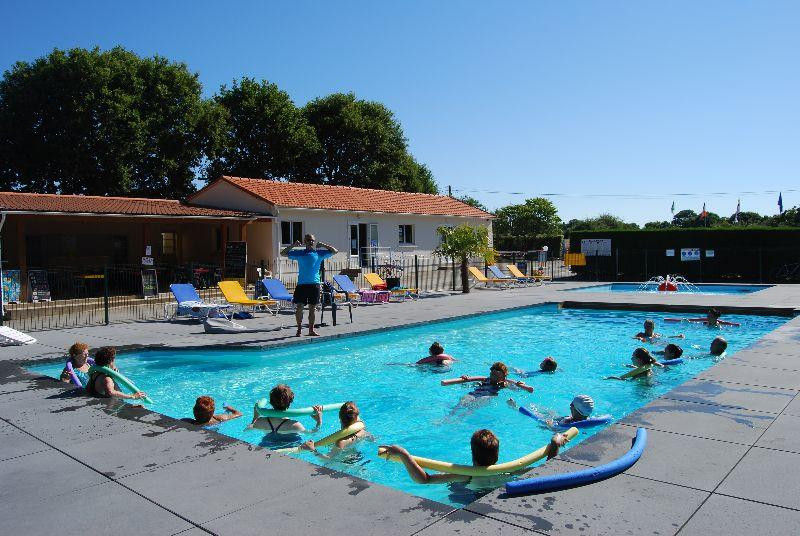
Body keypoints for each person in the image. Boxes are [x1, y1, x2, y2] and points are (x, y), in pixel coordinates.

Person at [379, 429, 568, 484]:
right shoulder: (509, 472)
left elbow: (425, 480)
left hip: (465, 499)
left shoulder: (465, 475)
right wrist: (555, 443)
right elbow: (547, 466)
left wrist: (404, 454)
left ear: (472, 454)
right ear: (497, 455)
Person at [281, 233, 338, 337]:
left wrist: (323, 244)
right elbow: (283, 253)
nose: (310, 242)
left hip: (314, 285)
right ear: (305, 241)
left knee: (312, 308)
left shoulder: (319, 253)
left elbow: (335, 251)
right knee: (299, 307)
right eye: (308, 240)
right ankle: (299, 329)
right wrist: (293, 245)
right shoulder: (300, 253)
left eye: (312, 240)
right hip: (302, 285)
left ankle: (311, 330)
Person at [300, 401, 369, 459]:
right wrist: (319, 421)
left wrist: (313, 450)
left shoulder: (341, 442)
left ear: (340, 418)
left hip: (345, 464)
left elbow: (328, 459)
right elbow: (372, 439)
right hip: (359, 458)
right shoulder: (363, 431)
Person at [250, 384, 323, 435]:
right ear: (290, 402)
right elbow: (313, 433)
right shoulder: (295, 425)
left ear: (271, 402)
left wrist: (255, 417)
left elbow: (247, 429)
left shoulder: (260, 422)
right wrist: (319, 420)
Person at [446, 362, 534, 399]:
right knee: (463, 401)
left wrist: (520, 385)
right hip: (474, 394)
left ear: (504, 375)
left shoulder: (504, 383)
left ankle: (458, 420)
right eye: (493, 369)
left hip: (486, 397)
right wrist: (465, 380)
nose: (494, 370)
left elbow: (517, 390)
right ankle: (448, 418)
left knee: (470, 408)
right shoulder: (485, 380)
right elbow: (466, 385)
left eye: (498, 369)